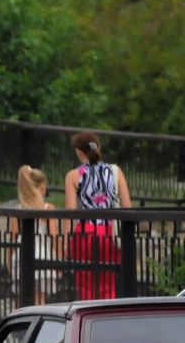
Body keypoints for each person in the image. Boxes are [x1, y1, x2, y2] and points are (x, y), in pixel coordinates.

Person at [63, 131, 133, 300]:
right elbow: (127, 207)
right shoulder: (116, 171)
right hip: (110, 232)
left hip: (85, 232)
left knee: (85, 283)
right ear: (98, 148)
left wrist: (64, 242)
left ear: (78, 151)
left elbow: (70, 213)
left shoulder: (73, 176)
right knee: (109, 282)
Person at [14, 165, 63, 306]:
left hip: (21, 255)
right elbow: (54, 237)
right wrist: (58, 261)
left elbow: (13, 237)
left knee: (21, 299)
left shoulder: (18, 209)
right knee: (40, 299)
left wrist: (9, 260)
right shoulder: (48, 209)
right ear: (42, 187)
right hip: (43, 255)